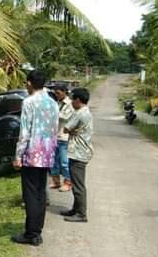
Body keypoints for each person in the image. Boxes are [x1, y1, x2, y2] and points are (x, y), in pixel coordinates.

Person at [11, 70, 59, 246]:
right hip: (47, 153)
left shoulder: (29, 102)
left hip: (32, 154)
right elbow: (55, 128)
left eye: (26, 82)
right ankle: (37, 231)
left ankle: (31, 234)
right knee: (40, 193)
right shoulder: (53, 103)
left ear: (30, 83)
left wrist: (18, 155)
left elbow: (24, 132)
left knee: (30, 194)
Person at [61, 88, 94, 223]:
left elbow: (66, 128)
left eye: (72, 99)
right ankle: (75, 209)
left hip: (78, 153)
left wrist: (71, 131)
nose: (71, 102)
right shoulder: (85, 112)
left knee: (78, 185)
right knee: (76, 183)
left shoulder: (79, 114)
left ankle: (81, 214)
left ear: (78, 100)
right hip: (81, 151)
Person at [50, 85, 74, 192]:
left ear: (64, 92)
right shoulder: (57, 103)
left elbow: (65, 117)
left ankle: (68, 182)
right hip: (54, 136)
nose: (57, 95)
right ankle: (56, 181)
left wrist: (52, 112)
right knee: (54, 161)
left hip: (64, 136)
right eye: (56, 93)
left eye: (58, 93)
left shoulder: (69, 104)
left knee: (64, 162)